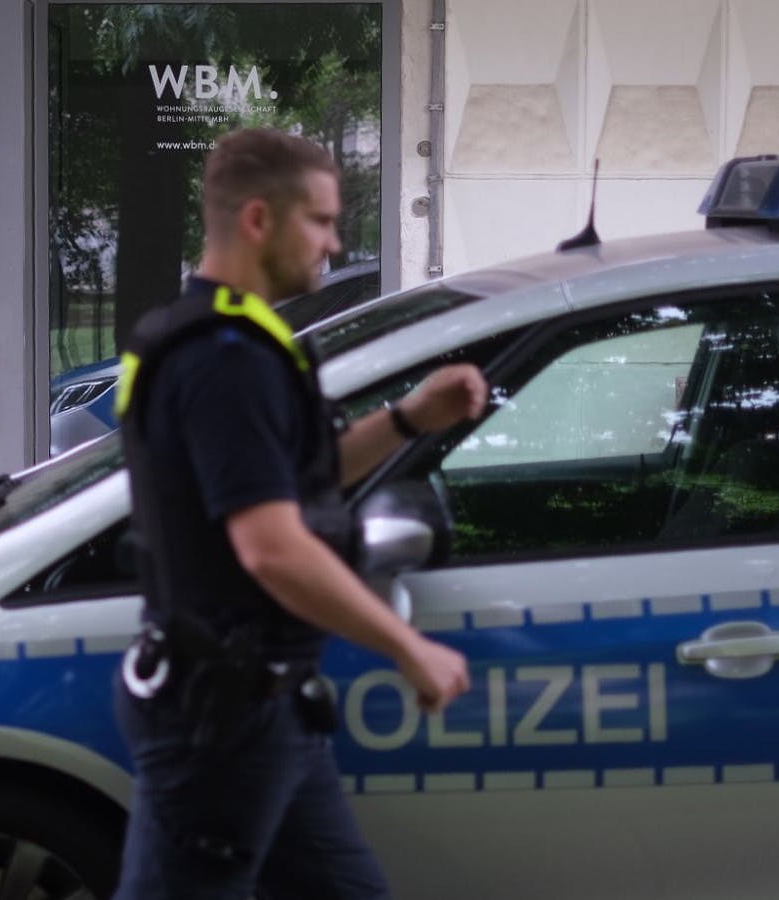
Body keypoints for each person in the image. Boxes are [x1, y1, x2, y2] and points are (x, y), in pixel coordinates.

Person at [113, 128, 487, 899]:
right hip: (223, 719)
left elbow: (288, 483)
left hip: (265, 706)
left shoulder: (214, 335)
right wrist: (407, 647)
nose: (333, 243)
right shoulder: (224, 359)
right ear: (258, 219)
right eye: (320, 221)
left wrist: (411, 418)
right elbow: (271, 547)